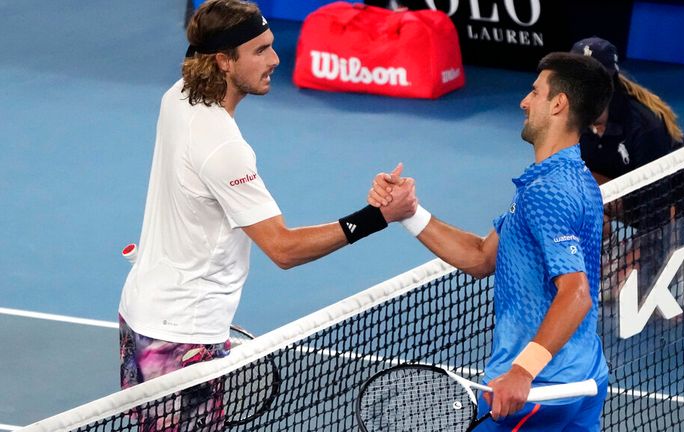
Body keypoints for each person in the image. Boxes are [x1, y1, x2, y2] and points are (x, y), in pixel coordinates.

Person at [118, 0, 417, 429]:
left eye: (271, 46)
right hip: (180, 334)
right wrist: (377, 216)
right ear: (222, 61)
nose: (276, 59)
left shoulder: (178, 95)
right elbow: (283, 248)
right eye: (259, 51)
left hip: (143, 310)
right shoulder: (224, 148)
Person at [371, 52, 613, 431]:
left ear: (558, 104)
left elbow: (576, 293)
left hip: (537, 393)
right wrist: (409, 213)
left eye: (535, 92)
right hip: (584, 378)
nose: (524, 101)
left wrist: (522, 370)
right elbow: (482, 256)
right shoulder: (570, 178)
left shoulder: (548, 191)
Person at [570, 37, 684, 292]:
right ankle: (610, 253)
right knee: (576, 186)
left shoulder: (644, 126)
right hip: (630, 189)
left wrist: (648, 277)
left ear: (608, 83)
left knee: (645, 291)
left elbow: (655, 208)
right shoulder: (573, 118)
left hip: (677, 201)